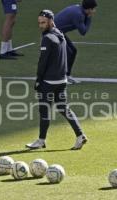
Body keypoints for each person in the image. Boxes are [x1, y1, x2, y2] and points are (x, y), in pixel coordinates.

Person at [25, 10, 87, 150]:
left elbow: (43, 62)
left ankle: (41, 141)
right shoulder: (61, 35)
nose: (41, 25)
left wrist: (38, 80)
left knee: (44, 110)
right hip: (62, 80)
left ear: (51, 21)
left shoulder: (47, 38)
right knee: (64, 108)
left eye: (43, 22)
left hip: (48, 82)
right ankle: (80, 135)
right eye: (39, 22)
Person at [54, 0, 97, 84]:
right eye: (94, 9)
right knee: (69, 52)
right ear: (89, 9)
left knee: (72, 51)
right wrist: (89, 18)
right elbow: (83, 32)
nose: (95, 11)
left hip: (58, 31)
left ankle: (66, 75)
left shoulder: (79, 10)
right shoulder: (78, 14)